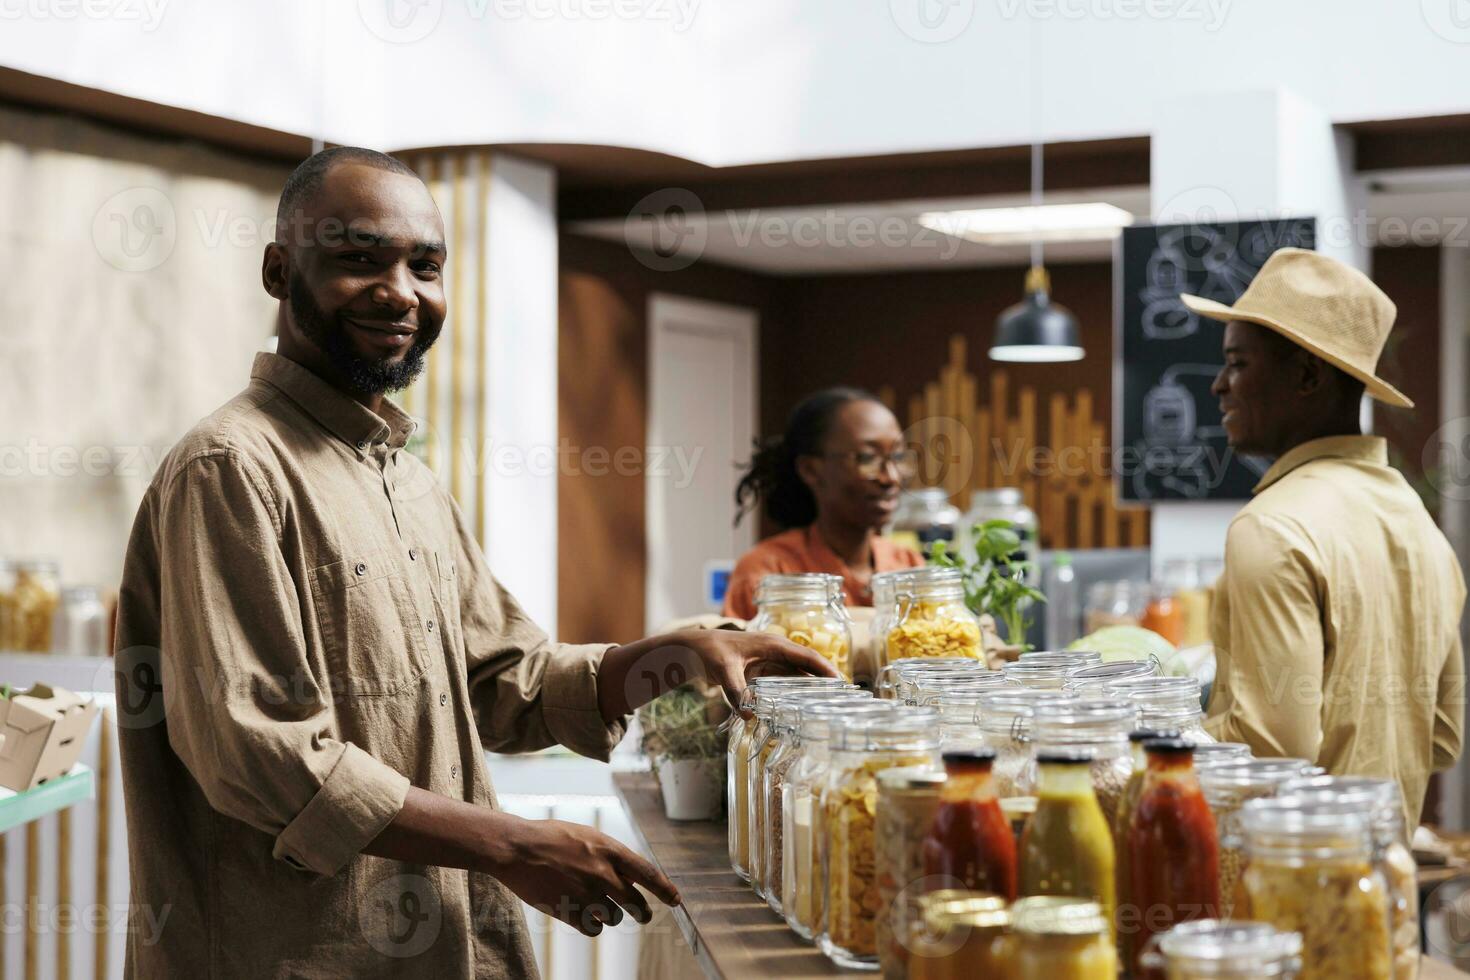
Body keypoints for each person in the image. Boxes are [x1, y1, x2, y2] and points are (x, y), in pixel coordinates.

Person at [112, 147, 835, 979]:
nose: (400, 292)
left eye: (425, 265)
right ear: (280, 270)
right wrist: (510, 842)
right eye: (358, 258)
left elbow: (508, 683)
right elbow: (264, 758)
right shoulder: (230, 469)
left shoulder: (403, 478)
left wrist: (675, 657)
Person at [1181, 247, 1464, 828]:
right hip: (1384, 883)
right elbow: (1442, 736)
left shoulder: (1272, 526)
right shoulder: (1418, 526)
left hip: (1289, 883)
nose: (1218, 386)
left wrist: (1163, 735)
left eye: (1237, 363)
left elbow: (1273, 749)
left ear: (1307, 376)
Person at [721, 388, 926, 621]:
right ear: (810, 469)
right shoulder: (768, 571)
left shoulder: (907, 564)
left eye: (898, 457)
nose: (890, 477)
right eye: (867, 458)